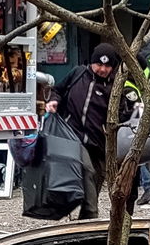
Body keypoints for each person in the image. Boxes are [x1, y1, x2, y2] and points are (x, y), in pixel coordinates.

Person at [48, 44, 138, 219]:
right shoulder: (78, 73)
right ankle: (91, 216)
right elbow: (57, 90)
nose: (102, 69)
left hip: (100, 145)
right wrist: (53, 101)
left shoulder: (117, 86)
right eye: (99, 64)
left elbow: (123, 115)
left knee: (94, 185)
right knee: (87, 171)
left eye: (107, 66)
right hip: (72, 136)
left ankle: (85, 221)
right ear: (92, 62)